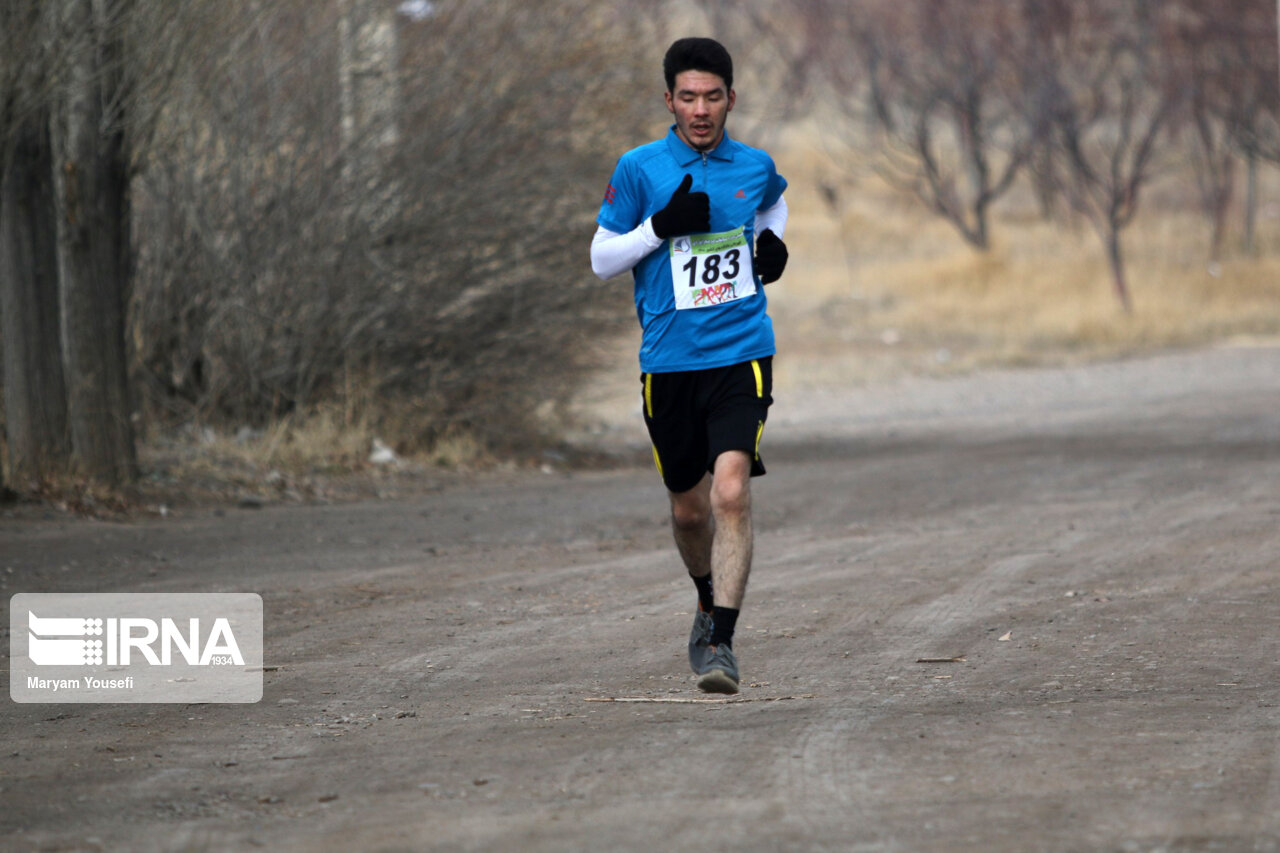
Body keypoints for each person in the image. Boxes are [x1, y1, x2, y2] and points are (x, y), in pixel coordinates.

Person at [590, 37, 789, 694]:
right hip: (669, 363)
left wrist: (773, 244)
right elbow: (599, 258)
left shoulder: (753, 163)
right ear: (669, 100)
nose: (700, 110)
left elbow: (773, 202)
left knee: (730, 490)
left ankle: (723, 643)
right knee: (688, 510)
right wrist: (659, 227)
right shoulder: (641, 168)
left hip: (741, 353)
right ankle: (706, 600)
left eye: (712, 97)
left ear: (731, 98)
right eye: (687, 97)